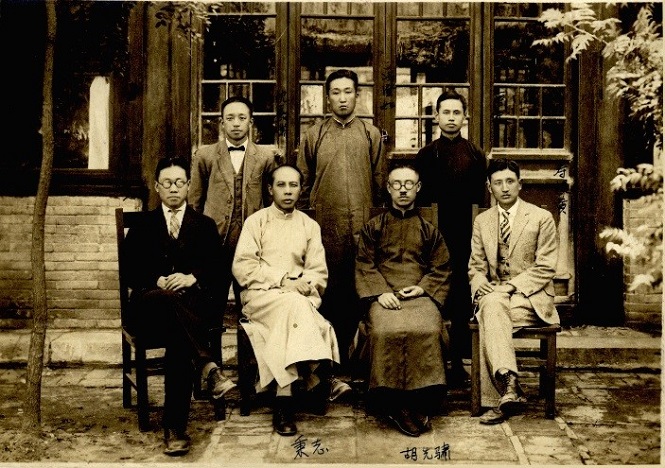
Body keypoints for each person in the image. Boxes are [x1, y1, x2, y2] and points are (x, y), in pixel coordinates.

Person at [121, 156, 235, 456]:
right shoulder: (143, 225)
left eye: (179, 182)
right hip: (149, 310)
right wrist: (156, 280)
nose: (173, 188)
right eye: (167, 183)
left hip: (188, 314)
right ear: (157, 187)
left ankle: (175, 429)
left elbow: (218, 269)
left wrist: (191, 277)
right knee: (170, 302)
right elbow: (129, 270)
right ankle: (208, 366)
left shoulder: (204, 225)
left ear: (188, 186)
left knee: (179, 341)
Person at [232, 164, 351, 437]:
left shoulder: (309, 226)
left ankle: (283, 399)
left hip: (298, 300)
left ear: (300, 190)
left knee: (292, 308)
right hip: (261, 297)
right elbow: (243, 268)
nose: (287, 191)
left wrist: (302, 288)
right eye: (281, 185)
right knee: (293, 306)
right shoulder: (256, 222)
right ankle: (318, 373)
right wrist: (284, 281)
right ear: (270, 189)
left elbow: (317, 273)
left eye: (293, 185)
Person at [297, 68, 386, 371]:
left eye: (348, 91)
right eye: (336, 92)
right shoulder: (314, 134)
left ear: (357, 95)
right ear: (328, 98)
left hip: (362, 227)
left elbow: (379, 183)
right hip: (326, 228)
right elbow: (303, 183)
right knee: (329, 291)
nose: (343, 98)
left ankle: (359, 361)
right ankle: (328, 362)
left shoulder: (371, 134)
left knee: (359, 289)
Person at [353, 163, 451, 437]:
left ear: (418, 188)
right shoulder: (374, 227)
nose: (403, 190)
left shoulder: (429, 230)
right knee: (385, 330)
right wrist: (380, 292)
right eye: (397, 184)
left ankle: (421, 397)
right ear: (388, 188)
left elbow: (441, 267)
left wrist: (422, 288)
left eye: (409, 184)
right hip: (383, 297)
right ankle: (390, 399)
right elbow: (364, 263)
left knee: (428, 329)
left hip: (420, 296)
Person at [469, 158, 559, 425]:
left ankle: (502, 391)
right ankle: (509, 388)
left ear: (520, 184)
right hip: (497, 300)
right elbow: (475, 266)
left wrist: (510, 287)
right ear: (489, 187)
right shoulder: (483, 221)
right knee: (492, 307)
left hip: (531, 300)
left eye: (510, 181)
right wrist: (479, 283)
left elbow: (546, 267)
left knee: (489, 312)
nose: (505, 188)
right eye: (498, 183)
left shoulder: (541, 218)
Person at [415, 88, 486, 388]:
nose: (452, 118)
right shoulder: (425, 155)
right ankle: (432, 362)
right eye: (446, 112)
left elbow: (481, 202)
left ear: (465, 117)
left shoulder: (475, 155)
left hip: (465, 234)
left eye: (457, 112)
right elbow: (421, 201)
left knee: (460, 297)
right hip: (434, 234)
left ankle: (458, 363)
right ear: (436, 116)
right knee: (433, 293)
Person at [189, 96, 276, 334]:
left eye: (242, 118)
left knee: (252, 307)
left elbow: (271, 203)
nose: (236, 123)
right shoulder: (205, 156)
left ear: (251, 122)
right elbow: (195, 202)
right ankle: (212, 357)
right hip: (215, 244)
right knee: (211, 307)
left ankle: (251, 357)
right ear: (222, 123)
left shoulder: (266, 157)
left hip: (251, 245)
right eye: (230, 118)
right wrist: (198, 241)